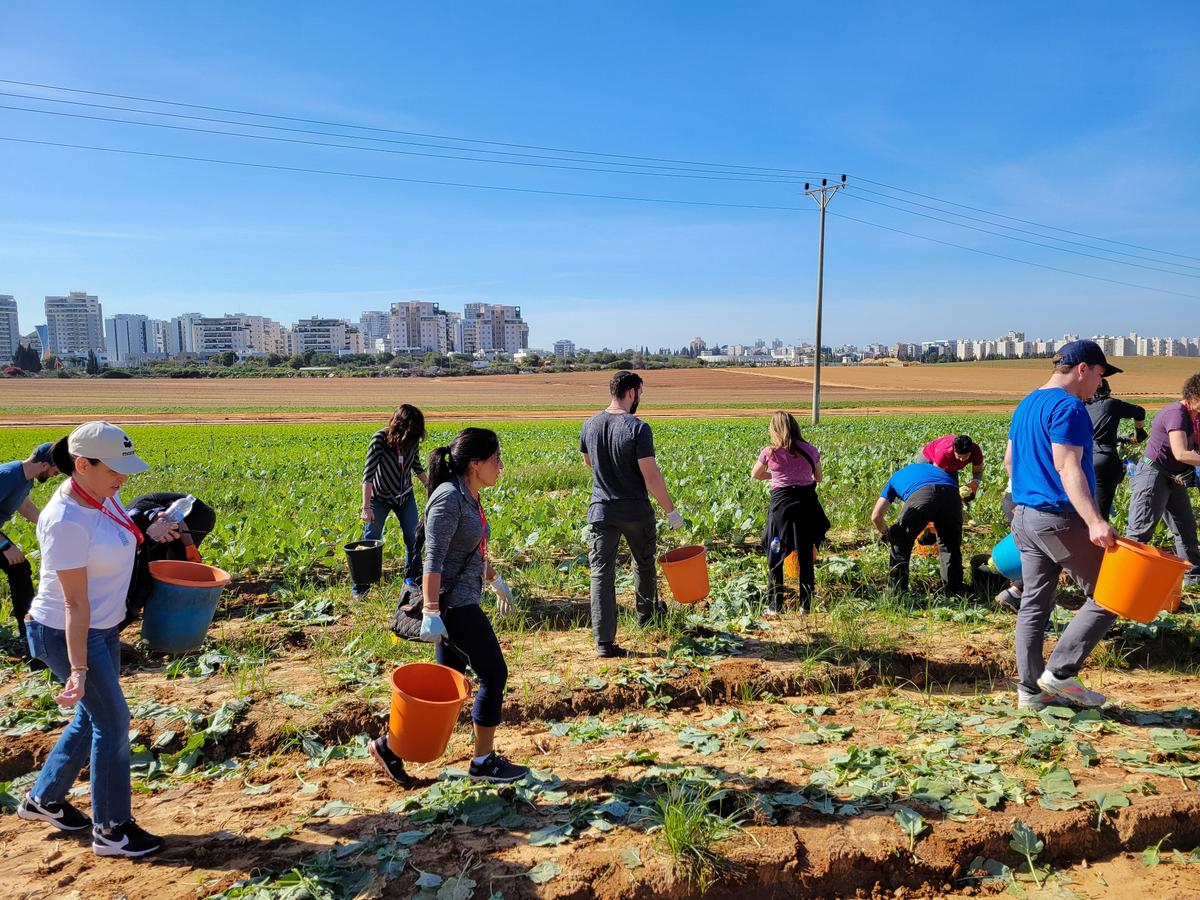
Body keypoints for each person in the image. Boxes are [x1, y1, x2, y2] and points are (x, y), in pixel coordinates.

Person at [18, 422, 180, 857]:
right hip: (67, 632)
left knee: (91, 719)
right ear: (82, 465)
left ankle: (44, 799)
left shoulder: (103, 494)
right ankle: (112, 830)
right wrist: (78, 668)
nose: (123, 478)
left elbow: (121, 531)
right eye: (115, 469)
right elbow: (73, 604)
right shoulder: (66, 520)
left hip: (102, 627)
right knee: (112, 723)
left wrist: (151, 526)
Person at [368, 427, 524, 787]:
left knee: (445, 688)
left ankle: (390, 747)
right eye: (495, 459)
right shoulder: (448, 499)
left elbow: (469, 551)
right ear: (475, 463)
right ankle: (483, 762)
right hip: (454, 607)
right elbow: (433, 560)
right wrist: (432, 611)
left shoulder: (469, 496)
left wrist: (495, 580)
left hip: (460, 599)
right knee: (494, 674)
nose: (501, 465)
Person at [1006, 340, 1120, 711]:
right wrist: (1095, 521)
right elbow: (1067, 467)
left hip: (1024, 516)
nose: (1099, 387)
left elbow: (1010, 461)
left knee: (1035, 605)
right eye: (1100, 376)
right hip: (1058, 518)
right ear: (1083, 369)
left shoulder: (1027, 403)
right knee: (1111, 592)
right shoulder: (1069, 407)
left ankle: (1030, 692)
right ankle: (1060, 672)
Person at [580, 371, 684, 658]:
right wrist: (671, 511)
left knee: (601, 573)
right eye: (640, 393)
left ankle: (603, 642)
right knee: (644, 564)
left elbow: (589, 462)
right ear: (631, 392)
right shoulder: (638, 428)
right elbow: (651, 477)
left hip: (601, 510)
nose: (640, 398)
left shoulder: (589, 424)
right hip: (636, 511)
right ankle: (646, 617)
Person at [1124, 373, 1200, 588]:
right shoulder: (1177, 413)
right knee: (1140, 531)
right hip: (1153, 475)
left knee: (1185, 527)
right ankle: (1127, 582)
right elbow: (1181, 453)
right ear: (1194, 395)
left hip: (1174, 478)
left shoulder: (1195, 417)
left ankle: (1193, 579)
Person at [752, 411, 830, 614]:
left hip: (782, 507)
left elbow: (755, 474)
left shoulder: (770, 452)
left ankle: (774, 606)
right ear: (796, 427)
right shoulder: (810, 450)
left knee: (775, 551)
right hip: (806, 505)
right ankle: (806, 606)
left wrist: (776, 474)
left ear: (774, 429)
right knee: (805, 555)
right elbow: (818, 478)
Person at [358, 405, 429, 594]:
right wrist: (366, 507)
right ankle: (361, 588)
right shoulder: (379, 439)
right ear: (401, 426)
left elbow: (416, 464)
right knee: (371, 539)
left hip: (405, 496)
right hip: (379, 498)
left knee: (414, 538)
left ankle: (412, 580)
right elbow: (368, 476)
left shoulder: (412, 441)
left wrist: (429, 485)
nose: (414, 436)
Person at [123, 492, 218, 628]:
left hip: (197, 517)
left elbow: (179, 522)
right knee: (151, 562)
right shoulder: (129, 521)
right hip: (161, 525)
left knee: (174, 564)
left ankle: (183, 605)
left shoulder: (142, 512)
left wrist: (190, 549)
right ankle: (153, 601)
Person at [870, 462, 965, 595]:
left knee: (900, 539)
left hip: (922, 495)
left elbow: (876, 516)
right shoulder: (935, 471)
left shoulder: (895, 478)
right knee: (950, 545)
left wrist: (887, 533)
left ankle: (896, 593)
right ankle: (955, 591)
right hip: (953, 496)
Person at [0, 442, 58, 657]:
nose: (54, 474)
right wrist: (5, 545)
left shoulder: (25, 478)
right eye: (55, 470)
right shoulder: (7, 476)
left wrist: (49, 526)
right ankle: (27, 633)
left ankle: (28, 631)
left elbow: (24, 506)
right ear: (44, 465)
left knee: (20, 568)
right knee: (18, 566)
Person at [1085, 379, 1147, 521]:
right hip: (1103, 458)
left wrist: (1122, 438)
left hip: (1084, 458)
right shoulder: (1110, 404)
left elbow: (1096, 433)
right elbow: (1140, 411)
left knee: (1085, 508)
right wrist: (1139, 431)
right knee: (1101, 513)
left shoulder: (1082, 405)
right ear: (1107, 391)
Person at [917, 434, 984, 503]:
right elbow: (937, 479)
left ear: (971, 451)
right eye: (959, 456)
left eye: (965, 456)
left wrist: (975, 483)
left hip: (950, 465)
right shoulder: (945, 453)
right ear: (954, 450)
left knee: (954, 492)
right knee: (930, 491)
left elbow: (977, 472)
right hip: (929, 459)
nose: (961, 460)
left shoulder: (976, 451)